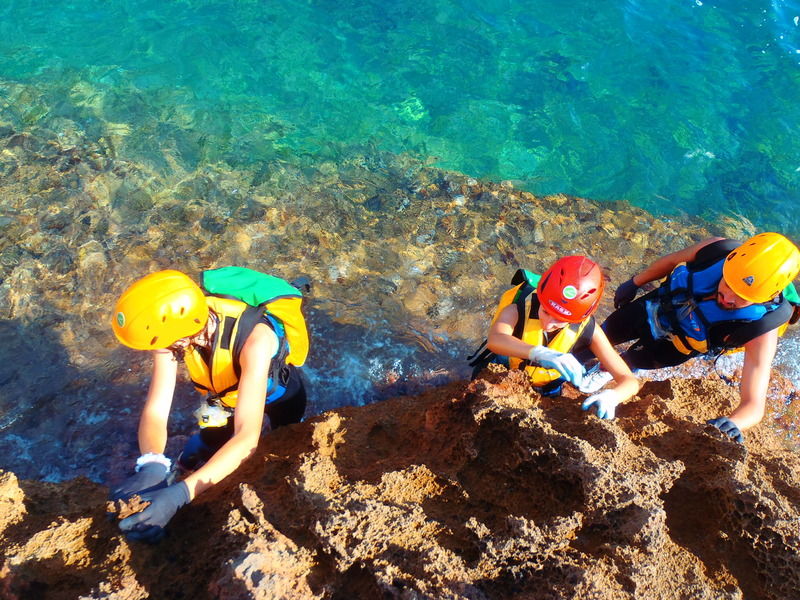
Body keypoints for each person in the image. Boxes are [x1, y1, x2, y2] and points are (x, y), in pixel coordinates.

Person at [109, 267, 310, 542]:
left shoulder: (256, 342)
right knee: (206, 443)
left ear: (181, 335)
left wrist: (181, 495)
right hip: (226, 400)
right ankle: (177, 475)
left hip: (281, 396)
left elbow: (247, 437)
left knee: (283, 443)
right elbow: (156, 410)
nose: (160, 351)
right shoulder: (174, 335)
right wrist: (152, 461)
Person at [579, 232, 800, 443]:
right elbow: (671, 261)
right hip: (652, 307)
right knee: (600, 335)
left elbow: (754, 404)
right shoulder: (717, 249)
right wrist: (635, 282)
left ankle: (606, 370)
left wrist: (733, 423)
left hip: (676, 346)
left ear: (767, 297)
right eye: (728, 283)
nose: (727, 298)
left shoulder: (762, 329)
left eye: (742, 298)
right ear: (730, 263)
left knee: (632, 361)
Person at [471, 256, 640, 419]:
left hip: (547, 387)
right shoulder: (519, 308)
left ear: (579, 319)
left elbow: (629, 380)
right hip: (505, 369)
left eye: (560, 320)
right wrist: (540, 353)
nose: (548, 323)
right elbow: (496, 339)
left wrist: (613, 397)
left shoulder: (590, 330)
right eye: (545, 311)